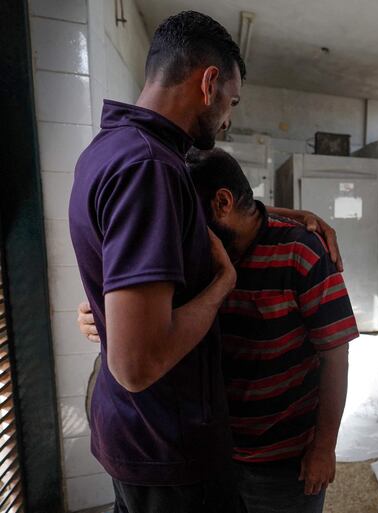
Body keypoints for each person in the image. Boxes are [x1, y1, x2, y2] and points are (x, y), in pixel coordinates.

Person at [69, 11, 339, 513]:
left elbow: (195, 210)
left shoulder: (114, 149)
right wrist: (222, 285)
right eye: (231, 102)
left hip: (137, 435)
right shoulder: (150, 168)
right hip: (163, 442)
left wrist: (281, 214)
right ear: (209, 82)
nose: (228, 118)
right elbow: (136, 364)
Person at [80, 148, 357, 513]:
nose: (176, 230)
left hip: (281, 459)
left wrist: (324, 448)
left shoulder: (302, 252)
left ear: (223, 202)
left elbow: (335, 356)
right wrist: (101, 317)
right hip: (211, 452)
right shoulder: (194, 256)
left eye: (185, 216)